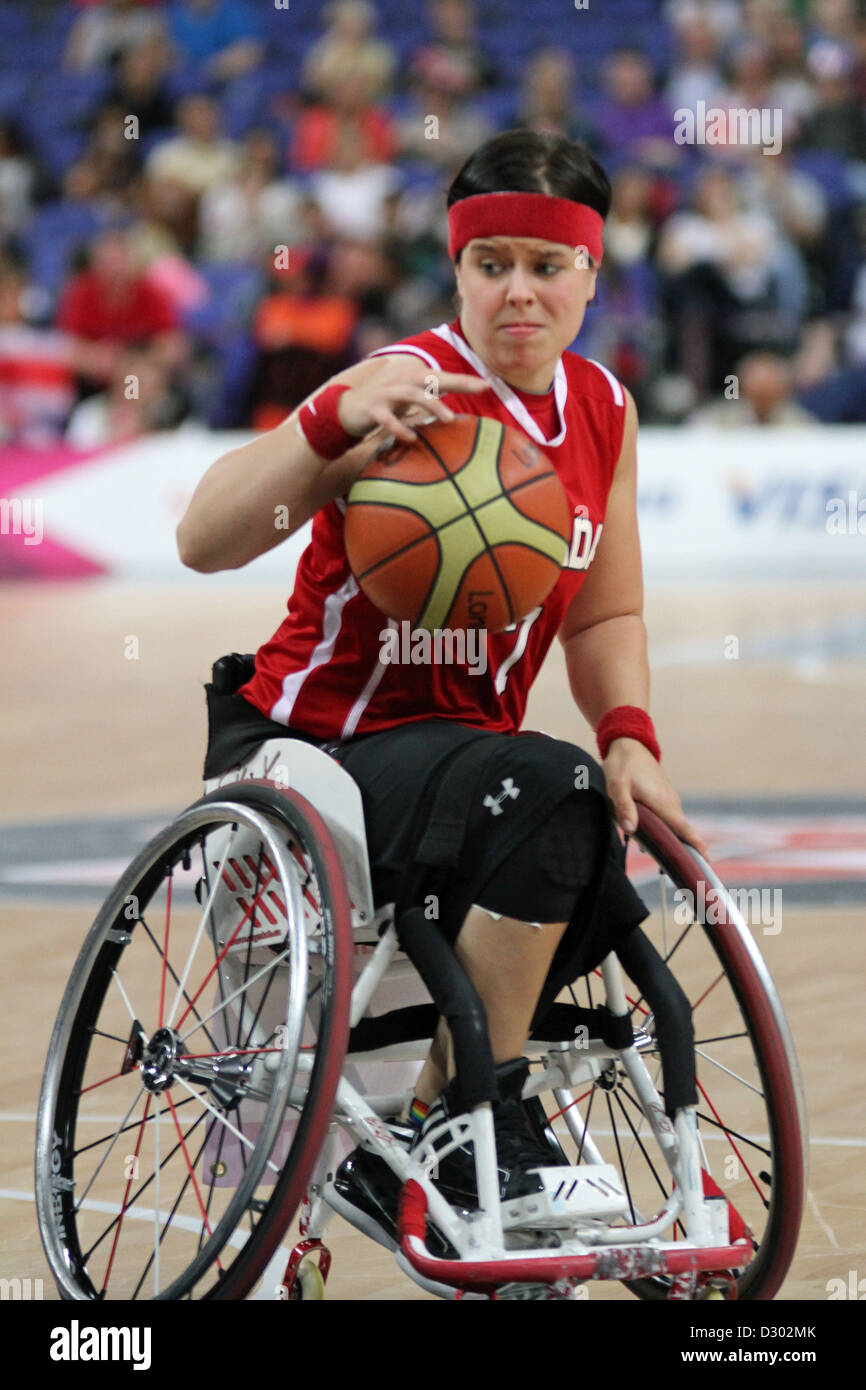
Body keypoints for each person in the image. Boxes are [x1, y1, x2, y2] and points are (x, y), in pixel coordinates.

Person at [176, 129, 706, 1248]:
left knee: (579, 814)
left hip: (462, 762)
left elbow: (605, 609)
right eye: (490, 263)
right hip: (313, 744)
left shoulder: (602, 409)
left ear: (591, 272)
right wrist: (326, 426)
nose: (518, 291)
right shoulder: (399, 383)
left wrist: (629, 731)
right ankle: (478, 1121)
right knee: (546, 789)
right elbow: (205, 537)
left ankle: (435, 1109)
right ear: (457, 268)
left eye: (546, 266)